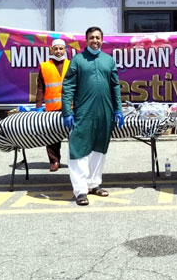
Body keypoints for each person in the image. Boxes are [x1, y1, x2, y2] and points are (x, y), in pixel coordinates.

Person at [61, 26, 125, 206]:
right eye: (91, 38)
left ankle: (93, 184)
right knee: (79, 149)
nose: (95, 40)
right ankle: (80, 190)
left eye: (97, 37)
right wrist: (67, 111)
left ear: (102, 40)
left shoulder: (108, 60)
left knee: (99, 148)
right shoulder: (78, 60)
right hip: (84, 112)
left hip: (105, 111)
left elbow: (115, 86)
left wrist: (118, 109)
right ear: (86, 40)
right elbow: (68, 87)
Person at [35, 38, 70, 171]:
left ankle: (75, 161)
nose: (58, 51)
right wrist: (39, 106)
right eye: (56, 49)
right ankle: (54, 161)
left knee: (74, 135)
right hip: (52, 108)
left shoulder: (71, 65)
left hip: (70, 106)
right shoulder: (45, 66)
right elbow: (40, 87)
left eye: (61, 48)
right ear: (52, 50)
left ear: (65, 50)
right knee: (52, 135)